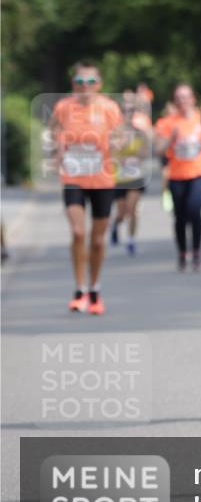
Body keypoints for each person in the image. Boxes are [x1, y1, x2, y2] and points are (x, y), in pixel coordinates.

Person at [50, 61, 123, 315]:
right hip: (73, 177)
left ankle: (95, 289)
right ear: (73, 84)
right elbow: (54, 132)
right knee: (79, 232)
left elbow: (121, 137)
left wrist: (117, 142)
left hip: (102, 179)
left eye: (90, 82)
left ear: (99, 85)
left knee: (99, 239)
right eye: (80, 82)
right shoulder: (63, 108)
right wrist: (58, 149)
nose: (85, 87)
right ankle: (79, 289)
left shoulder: (109, 108)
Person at [154, 85, 201, 270]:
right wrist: (171, 137)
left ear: (193, 99)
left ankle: (196, 251)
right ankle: (182, 252)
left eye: (186, 97)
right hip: (177, 174)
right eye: (179, 98)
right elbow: (158, 150)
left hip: (199, 172)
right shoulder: (167, 122)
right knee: (180, 216)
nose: (182, 101)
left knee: (194, 210)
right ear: (174, 101)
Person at [110, 92, 152, 255]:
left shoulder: (140, 132)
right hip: (119, 177)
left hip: (136, 176)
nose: (129, 114)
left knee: (132, 210)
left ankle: (131, 240)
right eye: (125, 111)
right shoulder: (115, 131)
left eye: (131, 111)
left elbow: (144, 153)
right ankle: (115, 225)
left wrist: (140, 145)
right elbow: (112, 153)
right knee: (122, 213)